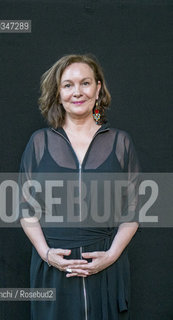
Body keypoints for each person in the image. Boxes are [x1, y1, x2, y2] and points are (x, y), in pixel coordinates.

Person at [19, 54, 140, 320]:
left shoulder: (121, 143)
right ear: (58, 93)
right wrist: (47, 254)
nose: (77, 92)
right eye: (68, 85)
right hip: (53, 268)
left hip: (107, 267)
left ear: (98, 88)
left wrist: (110, 256)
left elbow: (133, 212)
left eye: (85, 83)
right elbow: (26, 209)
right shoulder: (39, 143)